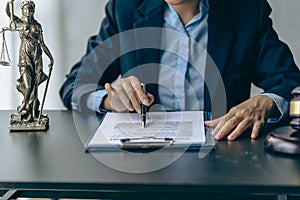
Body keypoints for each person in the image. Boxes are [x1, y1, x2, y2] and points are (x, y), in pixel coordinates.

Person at [60, 0, 300, 140]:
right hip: (141, 165)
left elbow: (291, 83)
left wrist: (266, 102)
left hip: (224, 162)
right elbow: (75, 85)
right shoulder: (125, 8)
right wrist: (111, 102)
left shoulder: (246, 10)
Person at [5, 0, 54, 122]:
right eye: (26, 9)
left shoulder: (37, 26)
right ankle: (24, 107)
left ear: (33, 11)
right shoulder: (19, 22)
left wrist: (51, 57)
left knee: (35, 86)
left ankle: (33, 112)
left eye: (31, 9)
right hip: (25, 57)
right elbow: (8, 13)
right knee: (27, 85)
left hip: (37, 57)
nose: (28, 11)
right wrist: (8, 2)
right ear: (22, 10)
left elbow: (42, 44)